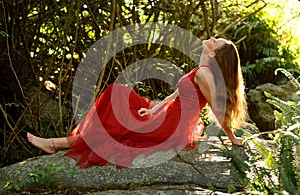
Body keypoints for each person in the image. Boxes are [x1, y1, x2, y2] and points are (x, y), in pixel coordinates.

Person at [27, 37, 247, 168]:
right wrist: (155, 108)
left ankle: (54, 143)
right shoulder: (201, 70)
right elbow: (179, 94)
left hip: (172, 126)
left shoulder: (205, 74)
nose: (212, 38)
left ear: (215, 54)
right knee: (117, 94)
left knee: (114, 125)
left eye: (216, 41)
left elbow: (218, 111)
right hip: (167, 115)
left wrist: (231, 137)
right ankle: (60, 142)